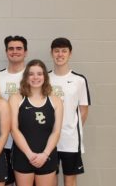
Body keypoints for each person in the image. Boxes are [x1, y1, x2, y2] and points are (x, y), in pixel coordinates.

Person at [9, 59, 63, 186]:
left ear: (45, 76)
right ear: (26, 77)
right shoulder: (16, 98)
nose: (35, 77)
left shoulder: (56, 101)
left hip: (47, 156)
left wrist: (44, 154)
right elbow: (14, 129)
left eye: (39, 74)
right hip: (23, 155)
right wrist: (29, 154)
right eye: (31, 74)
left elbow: (56, 132)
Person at [48, 38, 91, 186]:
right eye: (56, 51)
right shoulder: (44, 78)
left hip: (70, 141)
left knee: (70, 179)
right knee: (49, 178)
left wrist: (71, 128)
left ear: (70, 54)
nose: (60, 54)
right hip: (47, 140)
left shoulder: (79, 80)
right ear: (51, 53)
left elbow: (83, 110)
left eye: (64, 51)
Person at [0, 35, 28, 186]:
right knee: (5, 181)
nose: (15, 52)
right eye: (11, 48)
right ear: (6, 51)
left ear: (25, 52)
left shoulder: (35, 76)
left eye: (19, 48)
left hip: (27, 141)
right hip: (3, 142)